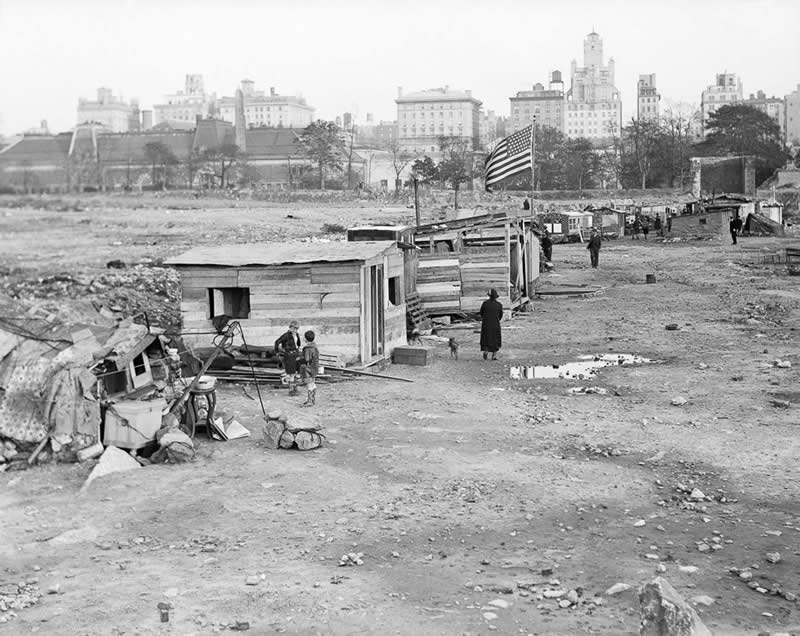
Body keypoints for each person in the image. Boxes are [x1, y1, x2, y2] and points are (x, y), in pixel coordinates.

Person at [274, 320, 302, 396]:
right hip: (289, 354)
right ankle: (291, 390)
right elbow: (277, 342)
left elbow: (298, 343)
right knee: (291, 373)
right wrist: (277, 352)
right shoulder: (286, 335)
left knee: (296, 373)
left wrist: (298, 348)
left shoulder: (297, 335)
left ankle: (295, 389)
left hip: (296, 353)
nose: (294, 330)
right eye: (293, 328)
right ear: (290, 327)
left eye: (296, 328)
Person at [479, 289, 503, 361]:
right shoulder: (499, 305)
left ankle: (486, 351)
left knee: (486, 338)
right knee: (495, 339)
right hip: (495, 324)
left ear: (489, 296)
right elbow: (500, 315)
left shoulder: (485, 304)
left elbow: (481, 313)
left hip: (486, 324)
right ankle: (494, 355)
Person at [300, 330, 319, 407]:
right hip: (314, 367)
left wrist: (300, 358)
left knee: (309, 384)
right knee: (313, 383)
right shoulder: (315, 347)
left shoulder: (307, 348)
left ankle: (310, 401)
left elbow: (307, 359)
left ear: (305, 338)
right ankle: (312, 399)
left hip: (308, 368)